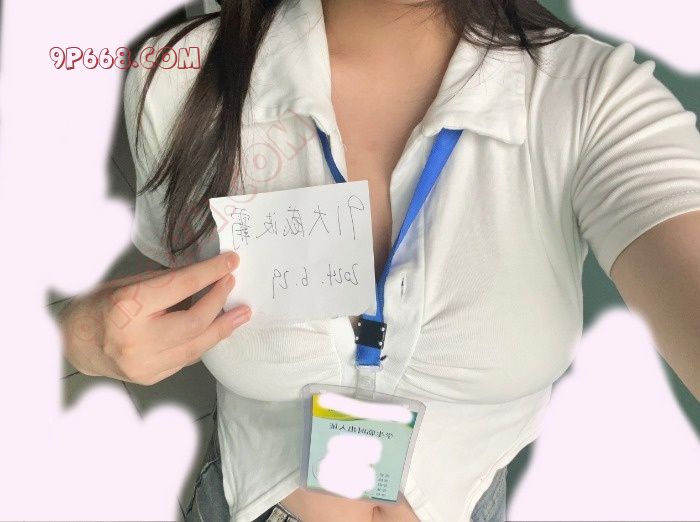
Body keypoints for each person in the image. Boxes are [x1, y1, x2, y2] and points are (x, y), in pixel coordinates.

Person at [59, 0, 700, 521]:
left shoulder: (593, 100)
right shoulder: (177, 78)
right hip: (251, 504)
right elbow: (172, 290)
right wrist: (82, 339)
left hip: (464, 502)